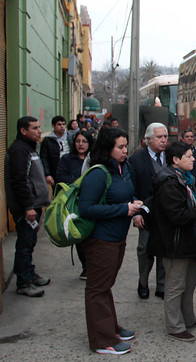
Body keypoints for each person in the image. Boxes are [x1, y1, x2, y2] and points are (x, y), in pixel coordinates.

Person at [78, 127, 142, 355]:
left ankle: (111, 328)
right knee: (97, 289)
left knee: (106, 285)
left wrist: (135, 208)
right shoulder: (98, 173)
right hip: (100, 240)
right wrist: (123, 209)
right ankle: (102, 340)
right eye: (120, 147)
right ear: (108, 149)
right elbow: (85, 208)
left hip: (117, 238)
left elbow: (128, 194)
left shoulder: (123, 168)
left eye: (126, 146)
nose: (125, 151)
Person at [147, 142, 196, 342]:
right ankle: (174, 326)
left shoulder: (183, 179)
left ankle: (188, 317)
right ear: (175, 160)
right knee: (175, 284)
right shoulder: (169, 182)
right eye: (189, 156)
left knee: (191, 279)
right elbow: (177, 216)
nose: (193, 159)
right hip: (173, 243)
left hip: (185, 241)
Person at [4, 116, 51, 297]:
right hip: (26, 208)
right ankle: (23, 282)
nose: (39, 131)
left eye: (39, 127)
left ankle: (29, 274)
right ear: (23, 131)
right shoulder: (19, 150)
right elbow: (19, 181)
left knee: (30, 242)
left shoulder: (30, 148)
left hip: (34, 205)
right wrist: (28, 207)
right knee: (25, 243)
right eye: (34, 128)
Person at [129, 123, 169, 299]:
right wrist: (136, 213)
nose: (163, 140)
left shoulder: (171, 157)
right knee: (144, 250)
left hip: (167, 214)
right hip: (146, 213)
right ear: (148, 139)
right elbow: (131, 188)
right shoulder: (136, 159)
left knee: (164, 250)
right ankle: (143, 282)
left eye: (165, 137)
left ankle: (162, 285)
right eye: (159, 137)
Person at [57, 130, 94, 280]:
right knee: (79, 235)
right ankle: (85, 266)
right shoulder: (67, 159)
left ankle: (92, 265)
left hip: (91, 201)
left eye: (84, 141)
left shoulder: (94, 159)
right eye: (78, 141)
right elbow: (61, 177)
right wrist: (77, 181)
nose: (81, 144)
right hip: (74, 202)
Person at [40, 115, 74, 185]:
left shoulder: (70, 137)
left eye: (63, 124)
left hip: (70, 169)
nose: (62, 126)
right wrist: (47, 174)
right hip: (55, 170)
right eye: (59, 124)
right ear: (53, 125)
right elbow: (44, 158)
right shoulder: (48, 140)